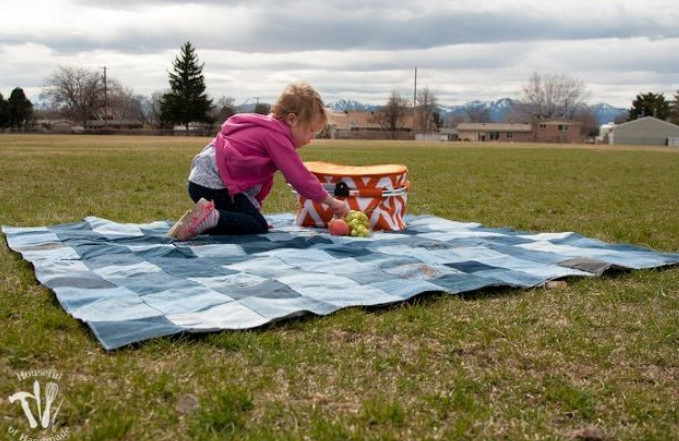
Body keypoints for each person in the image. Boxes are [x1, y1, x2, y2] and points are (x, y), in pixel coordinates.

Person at [168, 81, 349, 241]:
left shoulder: (265, 128)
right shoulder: (277, 136)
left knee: (253, 221)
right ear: (292, 119)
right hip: (213, 183)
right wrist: (332, 202)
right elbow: (300, 178)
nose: (311, 138)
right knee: (256, 226)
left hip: (202, 179)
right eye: (311, 130)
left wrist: (254, 214)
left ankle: (203, 218)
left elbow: (256, 183)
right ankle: (210, 217)